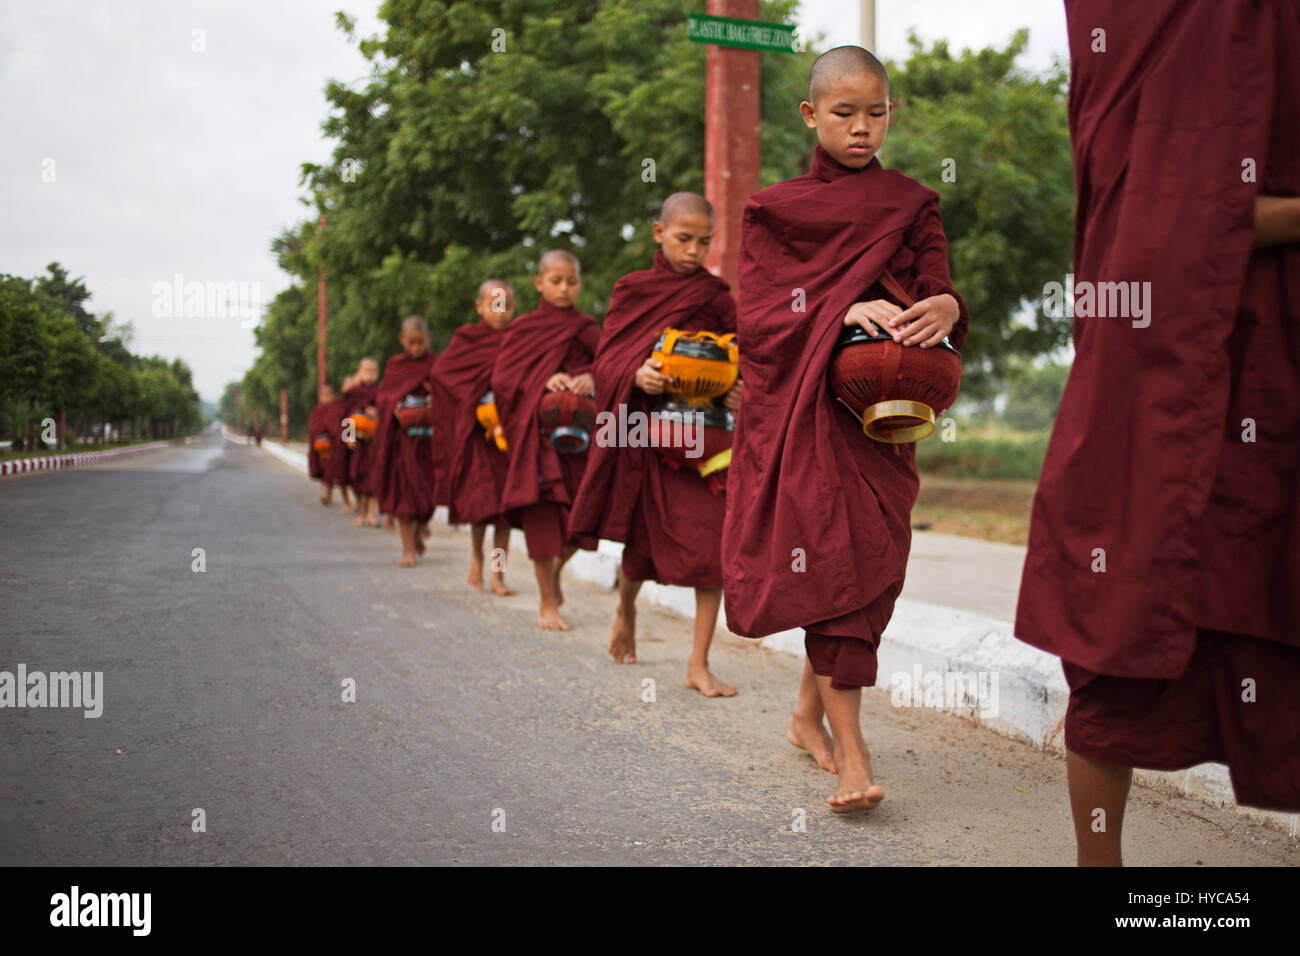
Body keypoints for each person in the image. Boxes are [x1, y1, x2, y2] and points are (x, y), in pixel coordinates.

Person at [1015, 0, 1300, 866]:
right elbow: (1162, 215)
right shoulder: (1139, 23)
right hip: (1151, 382)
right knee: (1120, 628)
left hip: (1273, 364)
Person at [722, 46, 969, 813]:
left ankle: (806, 716)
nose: (862, 129)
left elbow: (937, 286)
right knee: (835, 563)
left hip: (885, 417)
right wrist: (835, 310)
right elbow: (759, 314)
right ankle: (855, 755)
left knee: (869, 565)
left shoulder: (912, 202)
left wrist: (949, 308)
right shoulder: (775, 209)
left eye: (876, 113)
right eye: (844, 114)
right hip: (808, 420)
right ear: (811, 115)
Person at [570, 192, 740, 698]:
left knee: (713, 547)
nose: (694, 251)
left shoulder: (715, 295)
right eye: (684, 239)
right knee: (641, 546)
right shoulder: (633, 289)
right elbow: (608, 359)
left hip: (704, 441)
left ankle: (698, 663)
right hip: (650, 435)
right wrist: (635, 373)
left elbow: (738, 352)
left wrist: (735, 384)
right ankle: (625, 608)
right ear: (658, 233)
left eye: (704, 242)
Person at [492, 250, 601, 630]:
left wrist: (590, 376)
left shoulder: (586, 326)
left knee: (582, 520)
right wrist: (542, 382)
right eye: (555, 281)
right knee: (542, 517)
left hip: (580, 442)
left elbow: (609, 365)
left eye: (571, 282)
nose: (564, 288)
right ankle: (546, 604)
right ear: (539, 283)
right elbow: (503, 381)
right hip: (537, 440)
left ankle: (555, 571)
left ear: (579, 284)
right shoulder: (524, 328)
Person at [430, 279, 519, 596]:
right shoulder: (468, 338)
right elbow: (442, 374)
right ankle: (477, 557)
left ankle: (498, 574)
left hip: (509, 436)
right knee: (482, 507)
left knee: (505, 513)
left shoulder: (520, 338)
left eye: (506, 305)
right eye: (494, 305)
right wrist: (474, 394)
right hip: (478, 435)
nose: (501, 312)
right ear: (479, 306)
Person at [371, 315, 440, 567]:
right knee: (405, 498)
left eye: (420, 342)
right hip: (404, 443)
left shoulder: (437, 364)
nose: (415, 347)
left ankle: (421, 529)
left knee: (428, 497)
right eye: (410, 342)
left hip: (430, 442)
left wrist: (435, 399)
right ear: (401, 340)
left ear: (429, 339)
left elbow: (449, 394)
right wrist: (395, 406)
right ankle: (407, 550)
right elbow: (383, 398)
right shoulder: (395, 365)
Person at [342, 358, 381, 528]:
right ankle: (360, 513)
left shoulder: (380, 393)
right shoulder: (353, 393)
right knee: (356, 477)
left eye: (373, 371)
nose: (369, 375)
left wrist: (377, 412)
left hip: (374, 442)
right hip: (357, 442)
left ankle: (371, 514)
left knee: (373, 477)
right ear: (359, 371)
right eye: (366, 371)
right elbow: (345, 416)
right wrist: (348, 437)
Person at [326, 375, 355, 514]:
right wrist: (343, 435)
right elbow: (333, 422)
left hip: (358, 441)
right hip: (339, 441)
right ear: (343, 388)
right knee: (342, 474)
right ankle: (347, 502)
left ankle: (361, 506)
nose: (350, 388)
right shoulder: (338, 404)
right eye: (347, 386)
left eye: (353, 385)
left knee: (358, 473)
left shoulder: (360, 401)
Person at [307, 383, 338, 506]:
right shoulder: (317, 410)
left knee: (331, 471)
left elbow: (338, 426)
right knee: (323, 470)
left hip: (332, 446)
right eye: (323, 395)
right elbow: (313, 427)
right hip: (320, 446)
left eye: (328, 395)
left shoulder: (335, 410)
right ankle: (325, 494)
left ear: (333, 396)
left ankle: (328, 495)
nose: (326, 398)